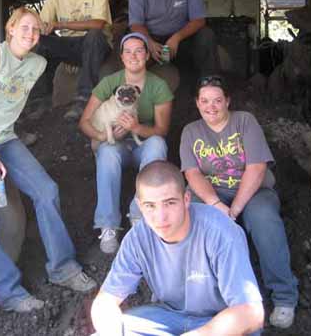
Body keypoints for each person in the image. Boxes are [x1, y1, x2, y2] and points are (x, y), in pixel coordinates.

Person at [0, 7, 96, 313]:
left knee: (47, 190)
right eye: (24, 27)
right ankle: (8, 293)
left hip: (4, 138)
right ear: (11, 28)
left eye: (36, 30)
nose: (31, 34)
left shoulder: (37, 64)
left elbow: (8, 105)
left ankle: (62, 267)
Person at [90, 160, 264, 336]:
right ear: (140, 205)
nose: (160, 217)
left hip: (219, 324)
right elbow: (105, 302)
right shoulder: (137, 238)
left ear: (186, 199)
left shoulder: (220, 232)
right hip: (168, 318)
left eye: (170, 203)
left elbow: (252, 313)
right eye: (150, 205)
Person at [180, 75, 299, 329]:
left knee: (265, 220)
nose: (211, 106)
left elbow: (256, 168)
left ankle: (284, 296)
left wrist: (233, 210)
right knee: (193, 218)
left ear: (227, 101)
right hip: (212, 193)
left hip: (253, 191)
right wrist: (215, 204)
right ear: (197, 103)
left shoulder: (244, 121)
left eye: (217, 100)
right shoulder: (191, 131)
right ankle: (204, 295)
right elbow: (192, 174)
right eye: (205, 101)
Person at [79, 33, 173, 254]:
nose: (134, 56)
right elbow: (84, 122)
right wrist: (103, 137)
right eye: (128, 51)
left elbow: (162, 129)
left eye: (139, 50)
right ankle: (108, 224)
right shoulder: (110, 82)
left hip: (143, 144)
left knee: (158, 143)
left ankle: (140, 214)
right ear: (121, 57)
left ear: (147, 55)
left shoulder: (158, 86)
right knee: (107, 152)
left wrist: (136, 128)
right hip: (116, 144)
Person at [36, 0, 113, 120]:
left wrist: (60, 24)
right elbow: (41, 24)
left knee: (93, 35)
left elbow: (98, 24)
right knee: (38, 41)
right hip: (71, 44)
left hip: (97, 44)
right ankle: (40, 99)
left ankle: (83, 99)